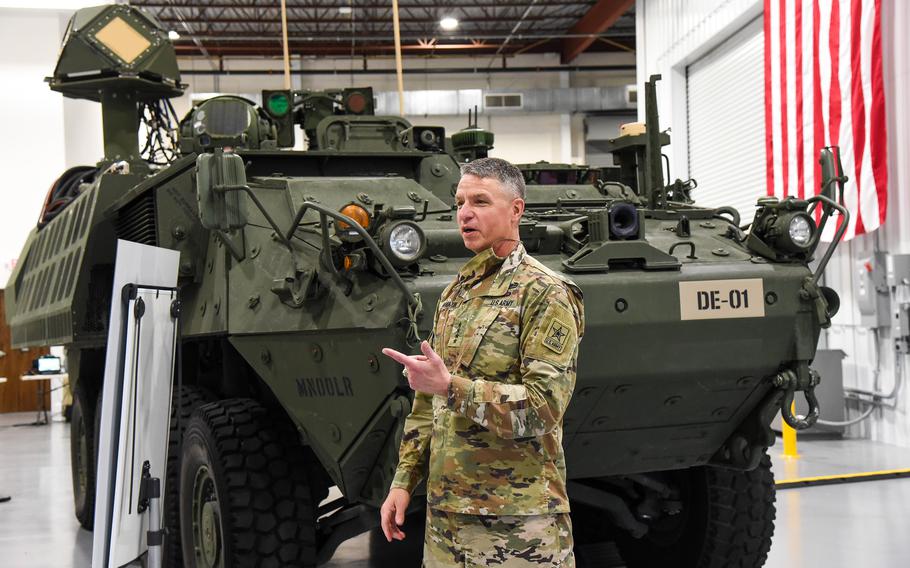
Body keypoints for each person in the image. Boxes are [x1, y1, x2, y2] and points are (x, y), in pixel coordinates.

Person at [381, 157, 584, 567]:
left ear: (516, 210)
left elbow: (544, 407)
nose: (465, 213)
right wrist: (403, 481)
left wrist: (449, 387)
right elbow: (427, 405)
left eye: (480, 201)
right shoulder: (456, 293)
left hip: (519, 528)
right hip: (447, 525)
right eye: (459, 202)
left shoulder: (545, 294)